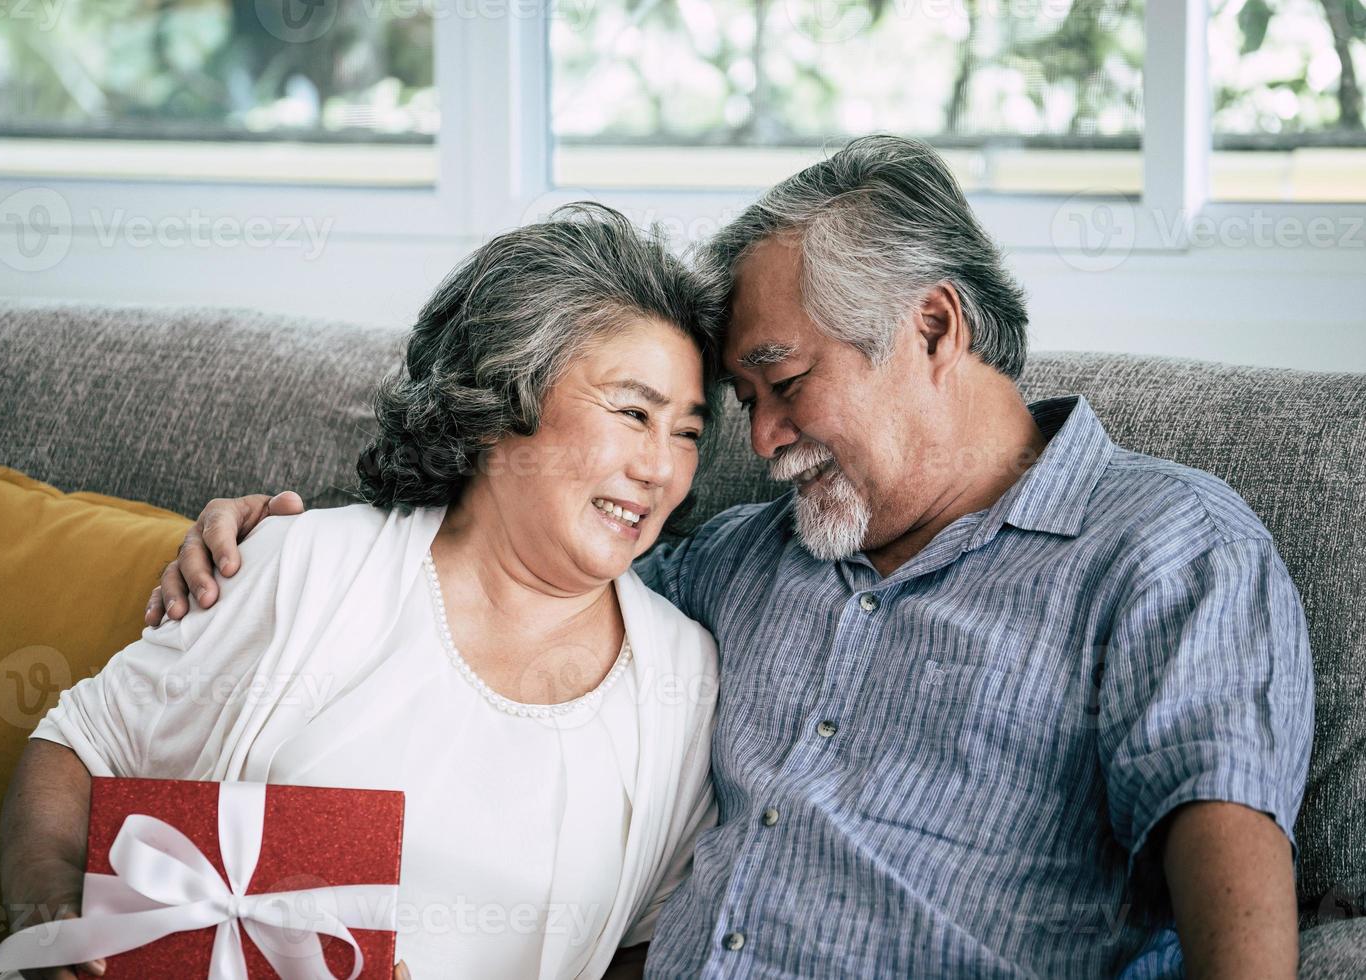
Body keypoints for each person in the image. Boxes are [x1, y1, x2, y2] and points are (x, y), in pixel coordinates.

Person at [150, 136, 1315, 978]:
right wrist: (296, 539)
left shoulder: (1163, 543)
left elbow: (1228, 850)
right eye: (741, 402)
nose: (757, 444)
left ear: (933, 327)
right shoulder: (741, 557)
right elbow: (513, 573)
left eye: (785, 381)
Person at [0, 205, 723, 980]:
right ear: (499, 402)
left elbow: (644, 945)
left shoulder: (683, 680)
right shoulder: (310, 567)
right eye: (633, 412)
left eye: (686, 431)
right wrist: (56, 930)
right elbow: (79, 747)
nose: (661, 468)